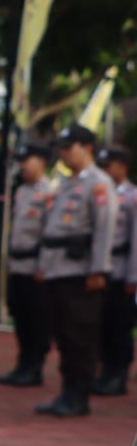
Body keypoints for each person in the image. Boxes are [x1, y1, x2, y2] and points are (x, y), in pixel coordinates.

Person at [36, 124, 116, 417]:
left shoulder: (99, 183)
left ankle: (78, 396)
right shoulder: (66, 183)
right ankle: (67, 392)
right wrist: (45, 265)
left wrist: (99, 269)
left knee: (80, 336)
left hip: (81, 272)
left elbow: (104, 228)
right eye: (62, 148)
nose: (64, 153)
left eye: (69, 147)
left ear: (87, 148)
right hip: (59, 269)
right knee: (64, 336)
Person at [0, 143, 55, 387]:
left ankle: (35, 367)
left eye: (28, 160)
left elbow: (50, 234)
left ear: (42, 162)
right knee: (20, 317)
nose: (23, 165)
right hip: (19, 263)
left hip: (37, 265)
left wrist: (45, 265)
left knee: (37, 319)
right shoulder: (22, 192)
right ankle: (23, 363)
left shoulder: (51, 192)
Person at [96, 146, 136, 395]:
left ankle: (119, 375)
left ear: (123, 166)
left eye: (109, 165)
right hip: (103, 270)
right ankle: (105, 372)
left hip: (122, 270)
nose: (105, 171)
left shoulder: (132, 197)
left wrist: (134, 276)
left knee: (120, 327)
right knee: (102, 326)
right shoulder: (101, 194)